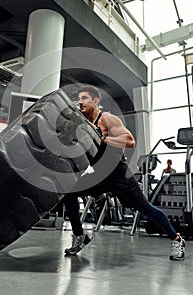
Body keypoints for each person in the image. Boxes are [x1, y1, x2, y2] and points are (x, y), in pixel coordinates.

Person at [63, 85, 185, 260]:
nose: (80, 102)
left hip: (118, 174)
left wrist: (104, 138)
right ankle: (79, 235)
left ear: (96, 101)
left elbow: (130, 141)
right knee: (69, 193)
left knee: (145, 208)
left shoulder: (107, 118)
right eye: (79, 98)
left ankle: (176, 239)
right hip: (98, 174)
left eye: (84, 98)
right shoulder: (83, 123)